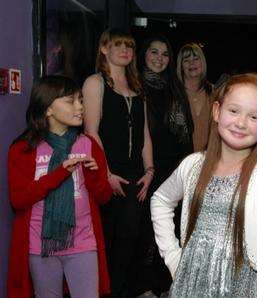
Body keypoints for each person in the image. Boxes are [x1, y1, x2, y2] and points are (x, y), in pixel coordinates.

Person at [151, 73, 257, 297]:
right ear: (217, 111)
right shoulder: (194, 165)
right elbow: (160, 200)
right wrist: (173, 257)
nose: (241, 123)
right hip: (190, 285)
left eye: (254, 117)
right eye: (234, 111)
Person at [7, 75, 112, 298]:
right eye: (70, 101)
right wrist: (59, 174)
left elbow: (104, 197)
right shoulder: (23, 150)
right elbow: (18, 200)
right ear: (47, 109)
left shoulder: (88, 144)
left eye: (81, 100)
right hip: (40, 246)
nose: (80, 107)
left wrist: (93, 176)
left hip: (83, 243)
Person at [83, 28, 154, 297]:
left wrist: (150, 170)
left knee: (132, 239)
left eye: (130, 46)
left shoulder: (137, 86)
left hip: (136, 173)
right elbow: (91, 132)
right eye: (118, 45)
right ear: (104, 48)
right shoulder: (95, 82)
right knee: (109, 240)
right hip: (107, 174)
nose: (125, 50)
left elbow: (144, 133)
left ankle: (123, 291)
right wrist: (107, 173)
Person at [139, 35, 193, 296]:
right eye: (154, 52)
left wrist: (189, 171)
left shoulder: (175, 87)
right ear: (144, 54)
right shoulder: (135, 86)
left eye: (164, 54)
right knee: (143, 230)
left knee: (170, 229)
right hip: (146, 167)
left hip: (175, 168)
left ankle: (164, 285)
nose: (159, 58)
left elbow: (187, 135)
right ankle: (142, 285)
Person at [177, 42, 214, 152]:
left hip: (209, 159)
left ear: (202, 62)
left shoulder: (215, 92)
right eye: (186, 60)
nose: (191, 63)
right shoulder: (174, 94)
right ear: (181, 66)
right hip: (180, 161)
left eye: (196, 59)